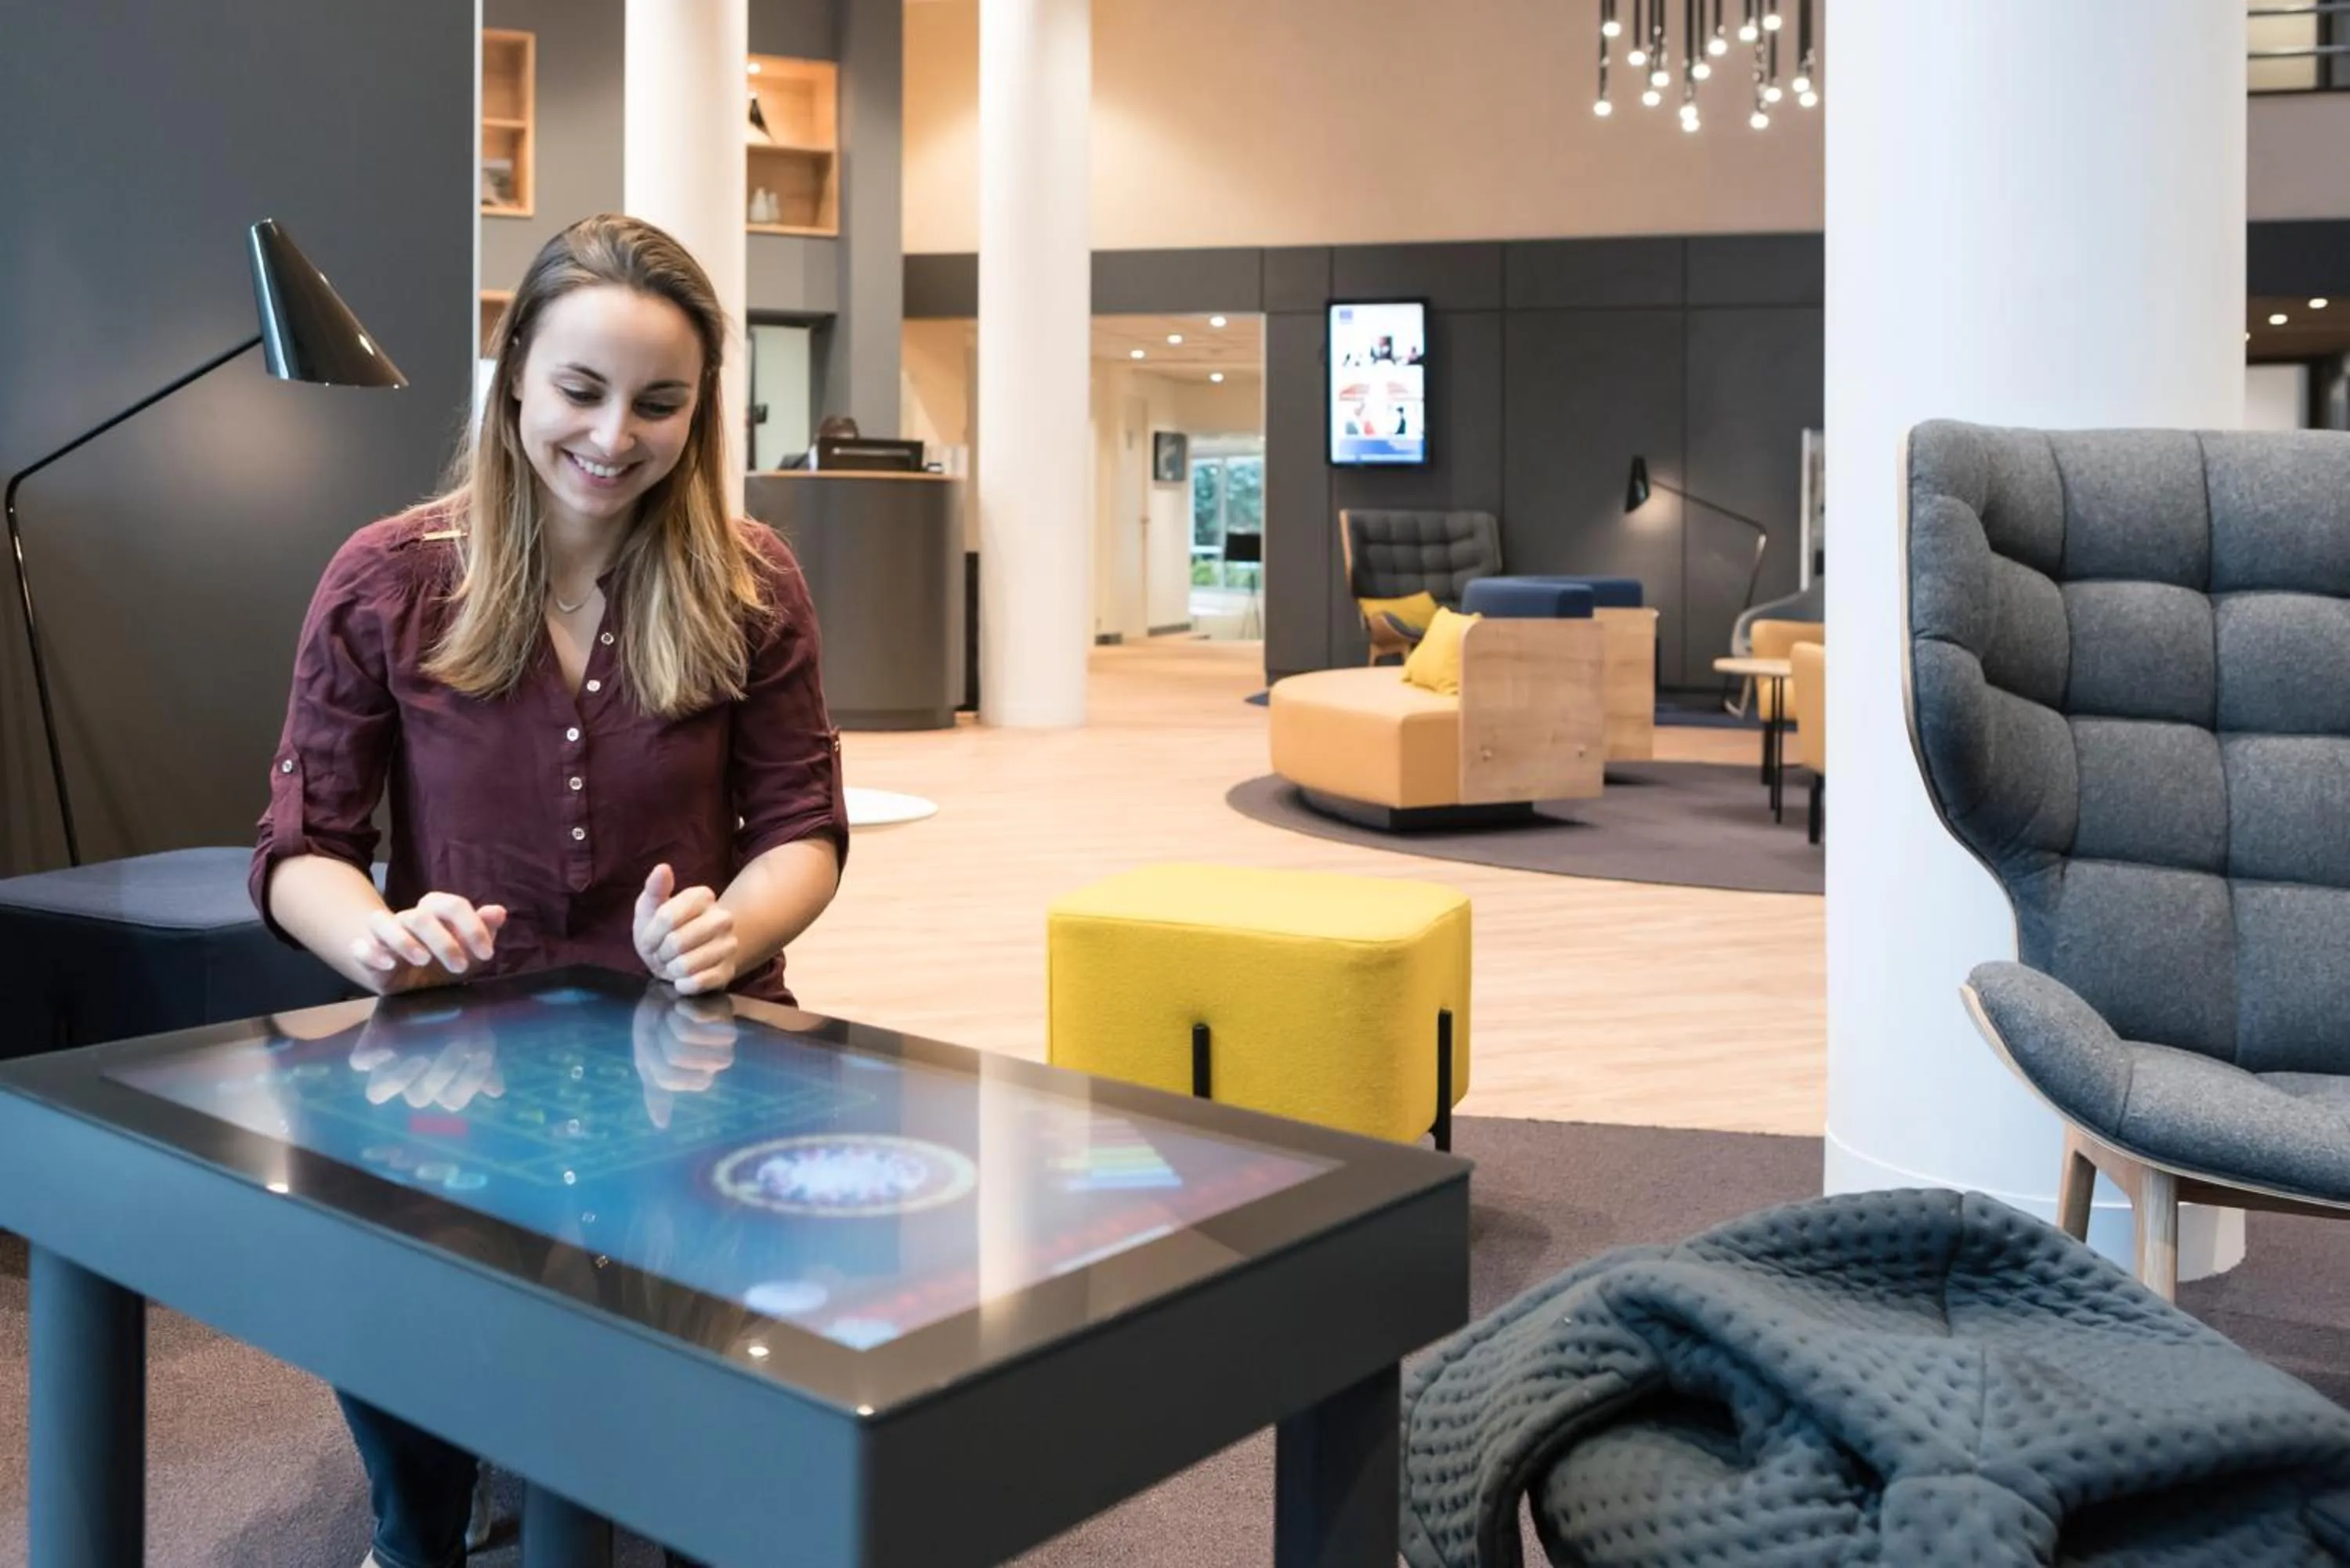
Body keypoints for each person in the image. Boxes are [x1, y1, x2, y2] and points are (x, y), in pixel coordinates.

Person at [251, 213, 848, 1568]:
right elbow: (301, 849)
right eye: (580, 391)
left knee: (730, 1389)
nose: (613, 435)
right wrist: (382, 938)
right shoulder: (388, 578)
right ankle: (425, 1518)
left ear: (701, 412)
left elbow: (804, 830)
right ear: (514, 370)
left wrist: (730, 926)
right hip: (457, 1039)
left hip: (705, 1032)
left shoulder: (755, 580)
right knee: (385, 1240)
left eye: (660, 403)